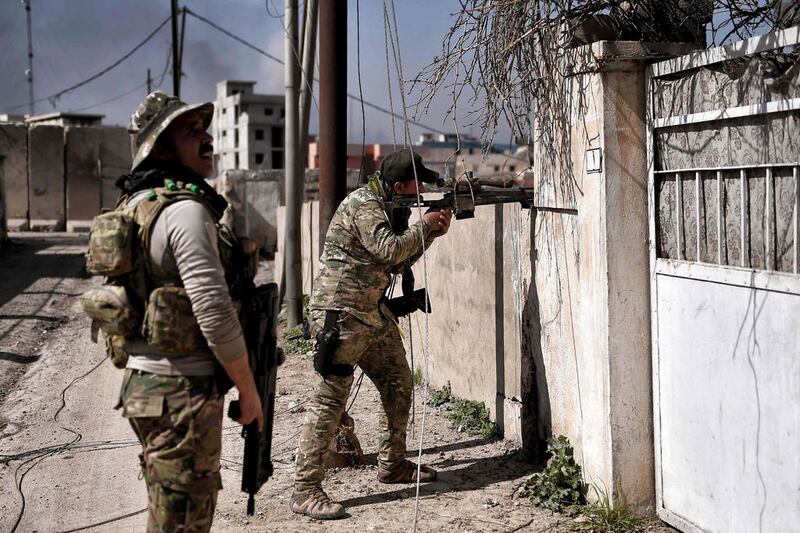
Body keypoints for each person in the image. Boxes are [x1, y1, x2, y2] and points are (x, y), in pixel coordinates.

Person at [115, 91, 263, 532]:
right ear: (162, 148)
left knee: (168, 514)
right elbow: (214, 311)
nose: (206, 139)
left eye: (204, 129)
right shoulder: (184, 212)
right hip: (182, 392)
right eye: (190, 132)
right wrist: (248, 390)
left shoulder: (137, 206)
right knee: (184, 523)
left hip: (147, 386)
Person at [291, 149, 453, 519]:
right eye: (417, 184)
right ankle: (305, 489)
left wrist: (431, 234)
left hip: (369, 315)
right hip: (341, 316)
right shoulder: (364, 204)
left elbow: (397, 261)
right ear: (398, 185)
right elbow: (387, 248)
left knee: (398, 383)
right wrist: (424, 226)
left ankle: (393, 464)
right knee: (330, 399)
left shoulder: (388, 205)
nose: (420, 190)